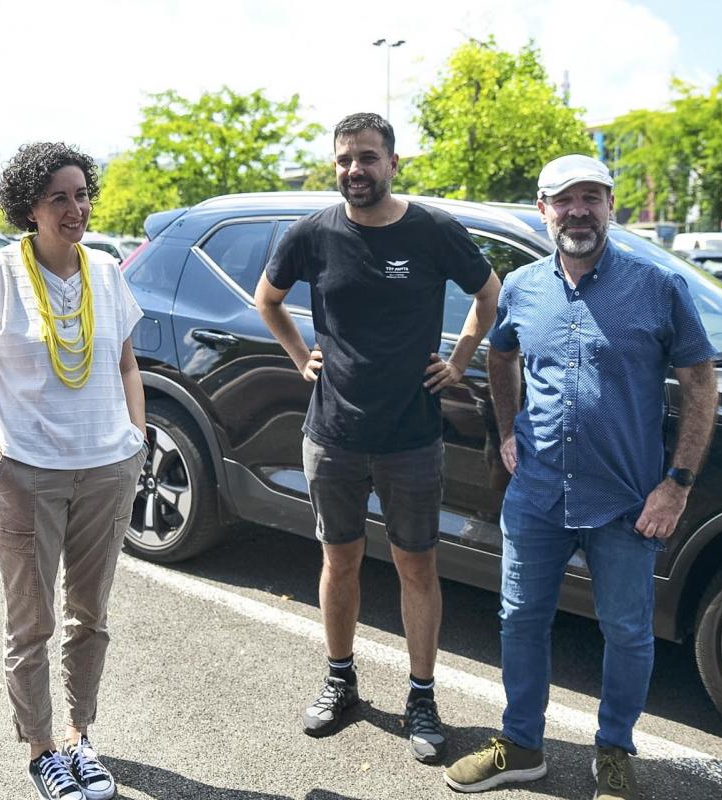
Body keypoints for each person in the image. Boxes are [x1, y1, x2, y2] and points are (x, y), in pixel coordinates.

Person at [444, 155, 718, 799]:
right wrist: (508, 432)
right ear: (543, 210)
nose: (578, 212)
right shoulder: (521, 287)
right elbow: (501, 354)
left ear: (610, 205)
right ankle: (521, 746)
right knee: (519, 618)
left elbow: (701, 386)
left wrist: (676, 483)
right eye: (563, 200)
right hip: (537, 493)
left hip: (627, 500)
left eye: (590, 198)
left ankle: (615, 752)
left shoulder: (658, 286)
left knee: (626, 630)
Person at [254, 112, 501, 764]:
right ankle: (340, 682)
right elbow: (268, 298)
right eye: (344, 159)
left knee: (417, 565)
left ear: (393, 163)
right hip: (332, 435)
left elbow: (488, 292)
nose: (354, 170)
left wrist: (460, 356)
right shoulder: (314, 233)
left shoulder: (432, 230)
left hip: (412, 436)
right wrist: (298, 354)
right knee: (340, 560)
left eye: (366, 158)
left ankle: (422, 696)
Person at [0, 142, 146, 800]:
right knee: (30, 624)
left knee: (89, 616)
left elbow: (125, 362)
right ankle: (42, 749)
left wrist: (137, 438)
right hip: (25, 473)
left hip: (106, 468)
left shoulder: (108, 270)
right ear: (29, 207)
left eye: (82, 194)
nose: (76, 208)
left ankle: (80, 736)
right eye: (58, 196)